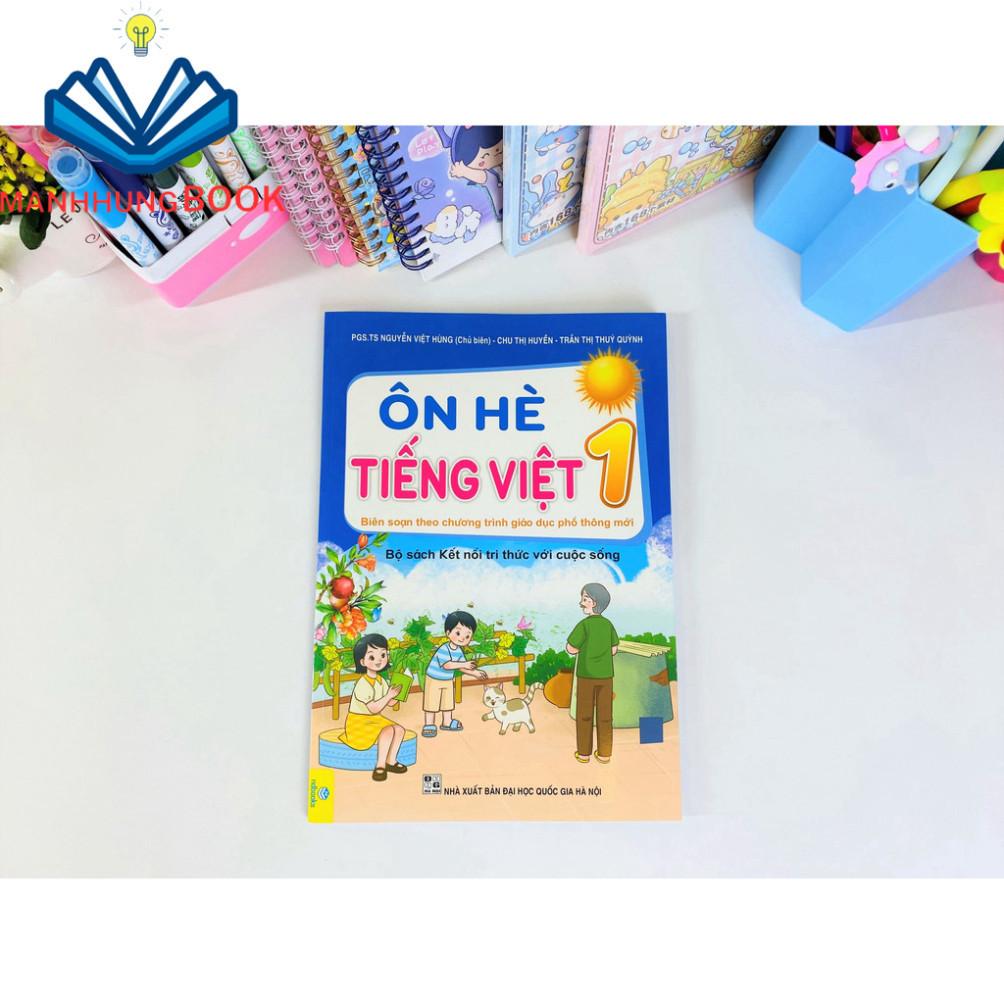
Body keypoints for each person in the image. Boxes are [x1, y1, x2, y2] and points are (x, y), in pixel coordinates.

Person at [566, 583, 619, 764]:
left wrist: (585, 650)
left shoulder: (584, 625)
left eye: (584, 599)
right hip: (606, 676)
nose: (581, 603)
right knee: (605, 716)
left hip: (586, 675)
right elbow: (614, 650)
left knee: (584, 714)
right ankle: (605, 754)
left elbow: (571, 648)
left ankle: (583, 754)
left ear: (594, 603)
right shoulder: (608, 624)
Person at [343, 633, 407, 782]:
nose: (379, 660)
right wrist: (388, 696)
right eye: (372, 657)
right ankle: (380, 766)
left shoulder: (381, 681)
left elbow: (388, 703)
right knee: (388, 730)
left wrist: (398, 695)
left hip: (374, 719)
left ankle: (391, 761)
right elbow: (374, 708)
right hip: (358, 722)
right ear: (362, 661)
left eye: (383, 655)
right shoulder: (362, 684)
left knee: (399, 729)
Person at [422, 611, 487, 737]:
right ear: (448, 633)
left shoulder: (458, 651)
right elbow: (447, 665)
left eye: (467, 636)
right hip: (434, 679)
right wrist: (464, 664)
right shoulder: (444, 648)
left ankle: (447, 722)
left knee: (448, 703)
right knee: (431, 702)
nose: (462, 638)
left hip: (447, 680)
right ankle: (429, 724)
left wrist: (475, 673)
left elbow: (462, 667)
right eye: (458, 633)